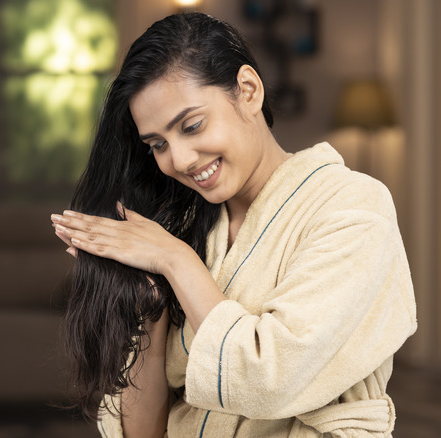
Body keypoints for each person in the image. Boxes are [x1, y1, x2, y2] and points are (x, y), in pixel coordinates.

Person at [50, 12, 416, 438]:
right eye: (157, 144)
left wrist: (175, 259)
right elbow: (142, 433)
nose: (179, 160)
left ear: (248, 91)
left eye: (192, 126)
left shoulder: (353, 207)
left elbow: (269, 378)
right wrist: (150, 307)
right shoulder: (185, 224)